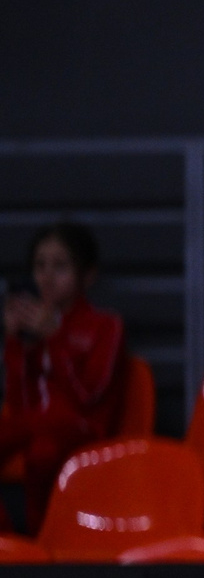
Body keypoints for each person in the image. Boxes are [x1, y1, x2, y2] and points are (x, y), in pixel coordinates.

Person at [2, 222, 126, 527]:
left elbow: (88, 396)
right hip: (36, 425)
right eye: (40, 266)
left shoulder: (106, 326)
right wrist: (16, 342)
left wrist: (56, 338)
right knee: (34, 438)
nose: (46, 277)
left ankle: (42, 538)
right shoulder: (34, 327)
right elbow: (20, 405)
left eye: (60, 267)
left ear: (87, 275)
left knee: (43, 451)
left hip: (84, 428)